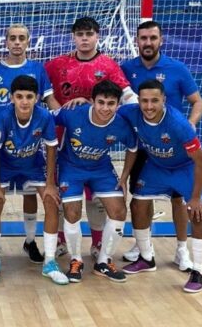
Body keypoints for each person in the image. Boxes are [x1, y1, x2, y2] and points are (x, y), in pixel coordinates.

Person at [45, 16, 136, 259]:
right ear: (73, 37)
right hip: (64, 134)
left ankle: (97, 245)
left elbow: (128, 96)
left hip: (96, 136)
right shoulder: (57, 64)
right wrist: (63, 110)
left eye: (89, 34)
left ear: (98, 36)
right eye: (80, 34)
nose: (84, 38)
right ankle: (62, 241)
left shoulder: (108, 65)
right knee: (64, 196)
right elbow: (44, 91)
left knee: (96, 199)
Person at [0, 24, 61, 264]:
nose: (17, 42)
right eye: (13, 38)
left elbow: (50, 100)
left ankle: (30, 241)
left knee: (30, 193)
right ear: (6, 42)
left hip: (30, 142)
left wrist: (68, 120)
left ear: (28, 42)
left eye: (22, 38)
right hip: (2, 144)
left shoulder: (37, 70)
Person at [120, 21, 202, 271]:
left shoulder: (177, 68)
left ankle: (182, 250)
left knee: (178, 199)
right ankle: (142, 247)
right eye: (143, 38)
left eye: (152, 38)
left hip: (175, 144)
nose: (148, 42)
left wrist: (190, 124)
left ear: (161, 40)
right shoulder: (126, 68)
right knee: (140, 197)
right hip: (142, 145)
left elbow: (197, 101)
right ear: (137, 41)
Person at [118, 79, 202, 294]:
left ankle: (198, 271)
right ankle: (146, 258)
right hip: (156, 166)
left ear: (164, 100)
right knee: (138, 204)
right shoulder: (130, 113)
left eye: (154, 101)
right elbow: (104, 110)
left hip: (184, 168)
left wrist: (195, 198)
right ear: (138, 101)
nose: (149, 106)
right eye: (145, 101)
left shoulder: (179, 124)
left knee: (196, 213)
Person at [54, 80, 138, 283]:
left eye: (111, 103)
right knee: (72, 212)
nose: (105, 108)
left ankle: (104, 261)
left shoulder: (121, 124)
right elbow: (45, 118)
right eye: (101, 102)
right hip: (70, 168)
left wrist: (125, 177)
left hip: (101, 169)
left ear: (119, 104)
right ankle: (75, 260)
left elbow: (133, 148)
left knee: (119, 210)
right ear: (92, 101)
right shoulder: (73, 113)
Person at [0, 75, 67, 285]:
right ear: (11, 98)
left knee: (51, 201)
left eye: (29, 97)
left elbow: (51, 149)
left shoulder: (44, 117)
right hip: (5, 163)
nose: (24, 101)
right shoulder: (3, 117)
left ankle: (49, 261)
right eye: (19, 96)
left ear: (37, 98)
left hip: (32, 163)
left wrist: (50, 183)